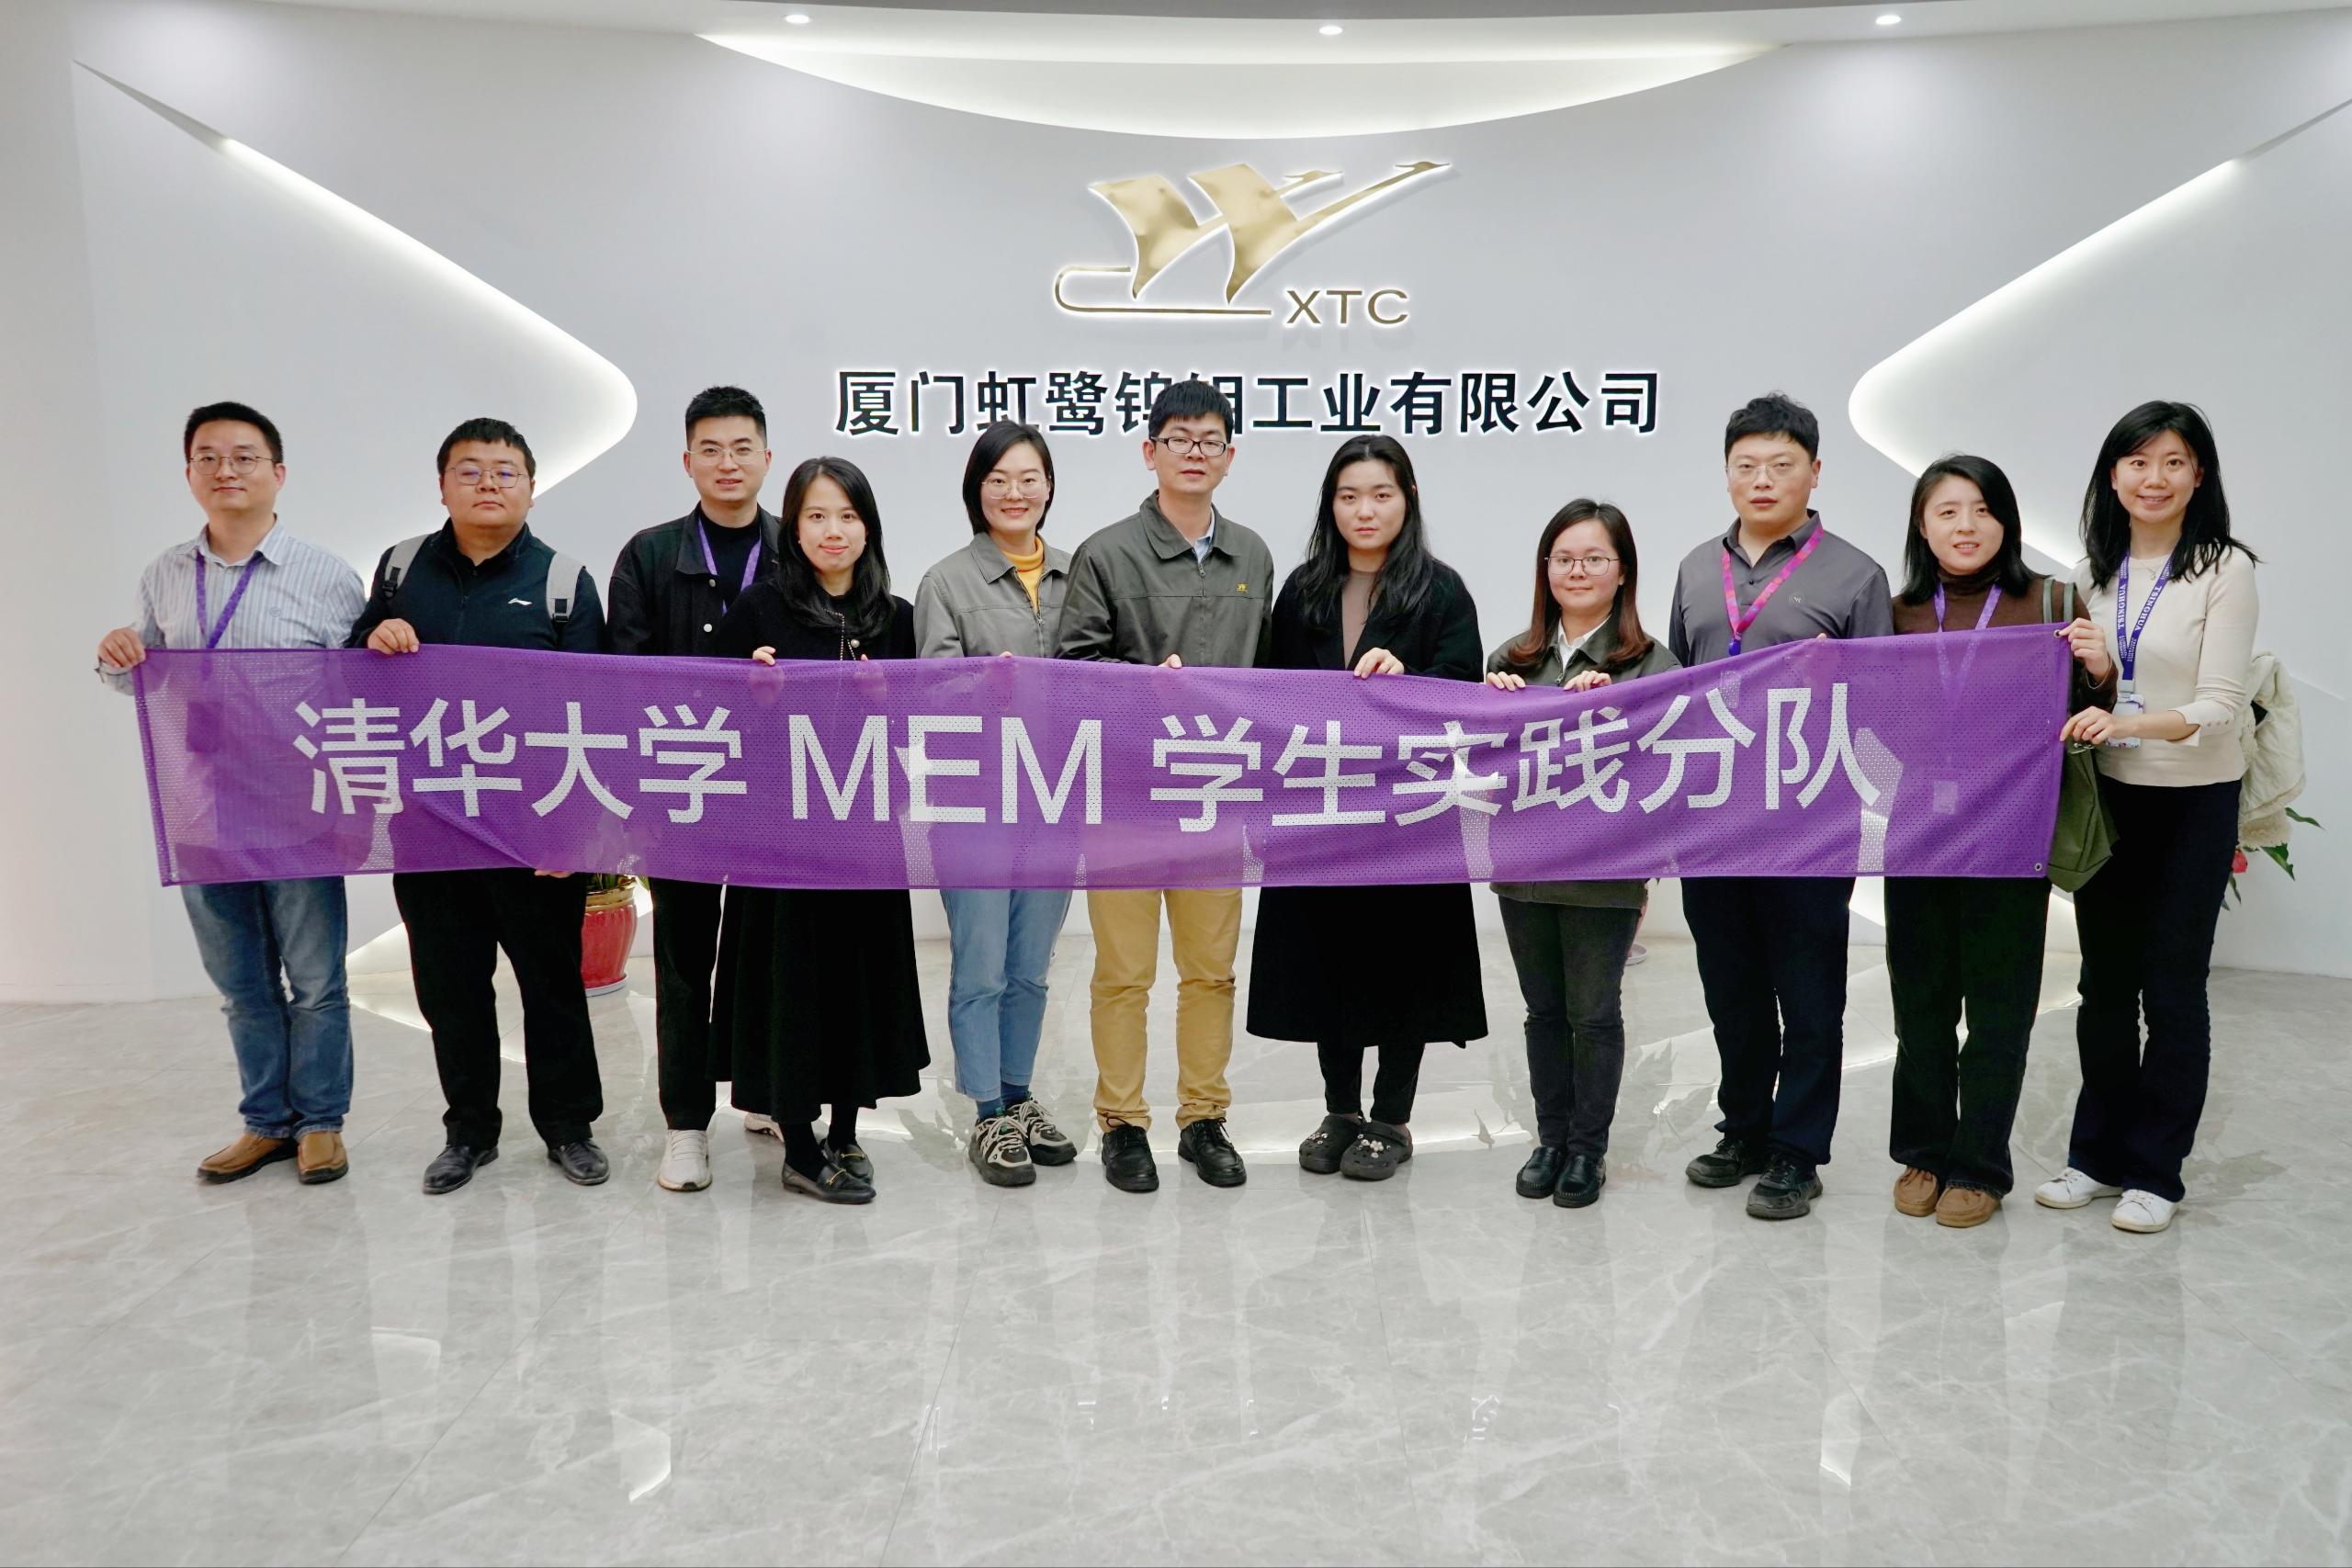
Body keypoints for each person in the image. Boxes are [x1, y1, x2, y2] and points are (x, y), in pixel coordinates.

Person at [96, 401, 367, 1187]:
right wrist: (117, 654)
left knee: (316, 980)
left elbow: (362, 692)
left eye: (244, 456)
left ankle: (320, 1124)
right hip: (202, 807)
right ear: (189, 475)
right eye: (208, 457)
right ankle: (265, 1122)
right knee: (242, 983)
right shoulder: (164, 575)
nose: (226, 470)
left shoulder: (326, 575)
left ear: (277, 473)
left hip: (299, 805)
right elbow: (142, 678)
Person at [351, 417, 608, 1196]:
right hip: (430, 825)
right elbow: (354, 675)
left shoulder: (564, 582)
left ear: (531, 486)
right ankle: (468, 1132)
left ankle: (569, 1128)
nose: (488, 483)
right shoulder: (400, 571)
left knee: (551, 985)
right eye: (469, 470)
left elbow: (596, 712)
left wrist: (577, 830)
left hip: (534, 829)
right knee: (450, 987)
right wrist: (374, 635)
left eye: (505, 471)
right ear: (442, 486)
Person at [1668, 392, 1894, 1221]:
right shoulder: (1697, 568)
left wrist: (1843, 681)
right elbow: (1675, 694)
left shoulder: (1856, 574)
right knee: (1731, 991)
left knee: (1809, 997)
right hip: (1712, 820)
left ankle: (1798, 1152)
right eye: (1747, 465)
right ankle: (1745, 1130)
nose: (1762, 479)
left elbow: (1886, 708)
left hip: (1810, 823)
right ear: (1727, 474)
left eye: (1782, 464)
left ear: (1815, 471)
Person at [2039, 402, 2258, 1235]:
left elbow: (2220, 703)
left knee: (2172, 989)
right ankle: (2096, 1157)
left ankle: (2156, 1172)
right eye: (2137, 462)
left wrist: (2126, 720)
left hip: (2195, 799)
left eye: (2172, 462)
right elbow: (2081, 684)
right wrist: (2098, 683)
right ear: (2113, 475)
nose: (2153, 478)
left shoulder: (2225, 569)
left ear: (2198, 474)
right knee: (2102, 986)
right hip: (2111, 797)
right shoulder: (2091, 571)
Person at [1056, 379, 1276, 1193]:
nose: (1195, 452)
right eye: (1179, 438)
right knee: (1123, 974)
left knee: (1211, 971)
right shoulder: (1107, 552)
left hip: (1215, 796)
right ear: (1149, 451)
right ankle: (1122, 1122)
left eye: (1210, 439)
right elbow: (1073, 670)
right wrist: (1144, 681)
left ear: (1229, 456)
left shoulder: (1252, 554)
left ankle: (1203, 1118)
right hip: (1125, 797)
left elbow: (1269, 676)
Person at [1884, 455, 2114, 1229]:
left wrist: (2101, 669)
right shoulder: (1896, 613)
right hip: (1917, 837)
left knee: (1999, 1011)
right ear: (1922, 526)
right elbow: (1868, 716)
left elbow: (2086, 709)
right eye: (1947, 511)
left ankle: (1979, 1165)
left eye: (1982, 509)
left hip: (2010, 837)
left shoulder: (2048, 601)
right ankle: (1923, 1151)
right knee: (1920, 1009)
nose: (1966, 526)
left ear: (2007, 521)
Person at [1248, 434, 1485, 1181]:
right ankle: (1341, 1110)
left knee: (1402, 965)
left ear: (1407, 499)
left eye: (1381, 494)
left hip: (1409, 819)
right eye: (1348, 496)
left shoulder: (1441, 591)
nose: (1365, 510)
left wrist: (1406, 678)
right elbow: (1272, 695)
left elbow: (1465, 692)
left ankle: (1391, 1117)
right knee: (1331, 963)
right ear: (1331, 505)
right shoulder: (1304, 590)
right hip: (1322, 812)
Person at [712, 456, 930, 1203]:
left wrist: (887, 699)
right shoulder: (759, 611)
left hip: (866, 834)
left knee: (856, 981)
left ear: (869, 527)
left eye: (847, 516)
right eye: (815, 516)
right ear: (794, 528)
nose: (832, 531)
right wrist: (750, 688)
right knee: (793, 985)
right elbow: (706, 715)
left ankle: (844, 1130)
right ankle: (799, 1144)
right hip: (783, 839)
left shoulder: (895, 617)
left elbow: (922, 731)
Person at [606, 386, 783, 1194]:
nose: (727, 463)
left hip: (773, 796)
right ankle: (684, 1125)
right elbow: (623, 682)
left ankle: (765, 1093)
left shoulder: (796, 548)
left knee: (765, 953)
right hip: (679, 791)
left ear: (767, 458)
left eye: (742, 448)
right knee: (683, 961)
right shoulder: (648, 556)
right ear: (687, 461)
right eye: (711, 449)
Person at [1485, 500, 1681, 1209]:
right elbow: (1486, 762)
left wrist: (1616, 714)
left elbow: (1668, 769)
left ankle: (1588, 1149)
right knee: (1543, 1012)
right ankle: (1550, 1139)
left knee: (1594, 1013)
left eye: (1594, 558)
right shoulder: (1511, 659)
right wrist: (1493, 704)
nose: (1578, 571)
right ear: (1546, 569)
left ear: (1622, 571)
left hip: (1605, 871)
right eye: (1564, 558)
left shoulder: (1652, 663)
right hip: (1523, 867)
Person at [913, 422, 1080, 1187]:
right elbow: (928, 693)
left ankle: (1018, 1094)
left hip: (1057, 799)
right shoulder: (947, 582)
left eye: (1029, 477)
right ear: (975, 490)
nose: (1015, 493)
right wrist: (983, 684)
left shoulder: (1081, 574)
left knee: (1032, 968)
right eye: (998, 479)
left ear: (1049, 486)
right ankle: (986, 1111)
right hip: (974, 802)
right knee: (980, 964)